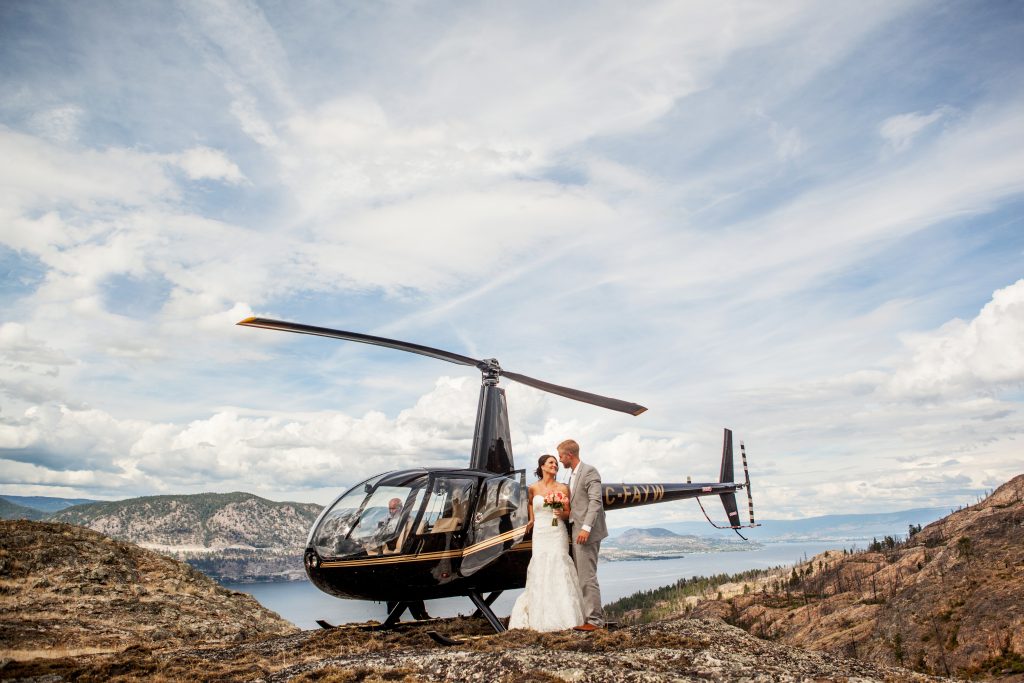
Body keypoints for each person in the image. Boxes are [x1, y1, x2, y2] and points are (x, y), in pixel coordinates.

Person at [508, 454, 584, 631]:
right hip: (540, 533)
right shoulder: (533, 488)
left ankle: (565, 616)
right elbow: (530, 504)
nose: (555, 465)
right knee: (540, 566)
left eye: (556, 463)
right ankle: (539, 615)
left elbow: (568, 513)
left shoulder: (563, 489)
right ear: (542, 466)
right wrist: (532, 520)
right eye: (551, 463)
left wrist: (560, 513)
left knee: (559, 565)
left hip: (557, 532)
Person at [558, 438, 607, 630]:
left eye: (561, 456)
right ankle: (588, 617)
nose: (560, 460)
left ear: (569, 455)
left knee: (587, 577)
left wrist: (586, 529)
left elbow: (596, 502)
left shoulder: (589, 471)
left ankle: (595, 621)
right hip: (576, 530)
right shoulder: (572, 475)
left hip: (586, 533)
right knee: (581, 577)